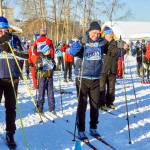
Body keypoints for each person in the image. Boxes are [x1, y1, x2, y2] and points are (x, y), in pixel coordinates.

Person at [70, 21, 105, 141]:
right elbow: (72, 52)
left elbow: (113, 53)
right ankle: (81, 129)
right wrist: (80, 43)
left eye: (99, 33)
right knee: (82, 105)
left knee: (95, 104)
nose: (97, 36)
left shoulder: (101, 42)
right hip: (82, 78)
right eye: (94, 33)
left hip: (95, 78)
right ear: (89, 32)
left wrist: (121, 48)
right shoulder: (83, 39)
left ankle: (93, 127)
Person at [0, 16, 28, 147]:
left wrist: (10, 49)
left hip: (12, 77)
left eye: (4, 29)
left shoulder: (14, 38)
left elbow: (26, 55)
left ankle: (10, 133)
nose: (2, 32)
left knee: (10, 107)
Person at [99, 27, 128, 111]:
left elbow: (119, 54)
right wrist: (119, 48)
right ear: (106, 35)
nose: (112, 35)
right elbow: (112, 52)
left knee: (111, 87)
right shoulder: (103, 43)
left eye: (112, 34)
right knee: (102, 87)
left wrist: (124, 49)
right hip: (103, 69)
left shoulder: (115, 43)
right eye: (110, 34)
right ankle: (101, 103)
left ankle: (110, 102)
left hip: (113, 68)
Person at [35, 45, 56, 114]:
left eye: (49, 50)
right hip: (42, 78)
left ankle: (52, 108)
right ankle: (40, 108)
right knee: (41, 94)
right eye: (48, 50)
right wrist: (39, 66)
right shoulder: (40, 58)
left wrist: (56, 66)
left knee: (51, 94)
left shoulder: (51, 58)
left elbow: (54, 66)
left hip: (50, 77)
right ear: (44, 51)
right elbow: (36, 68)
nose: (49, 51)